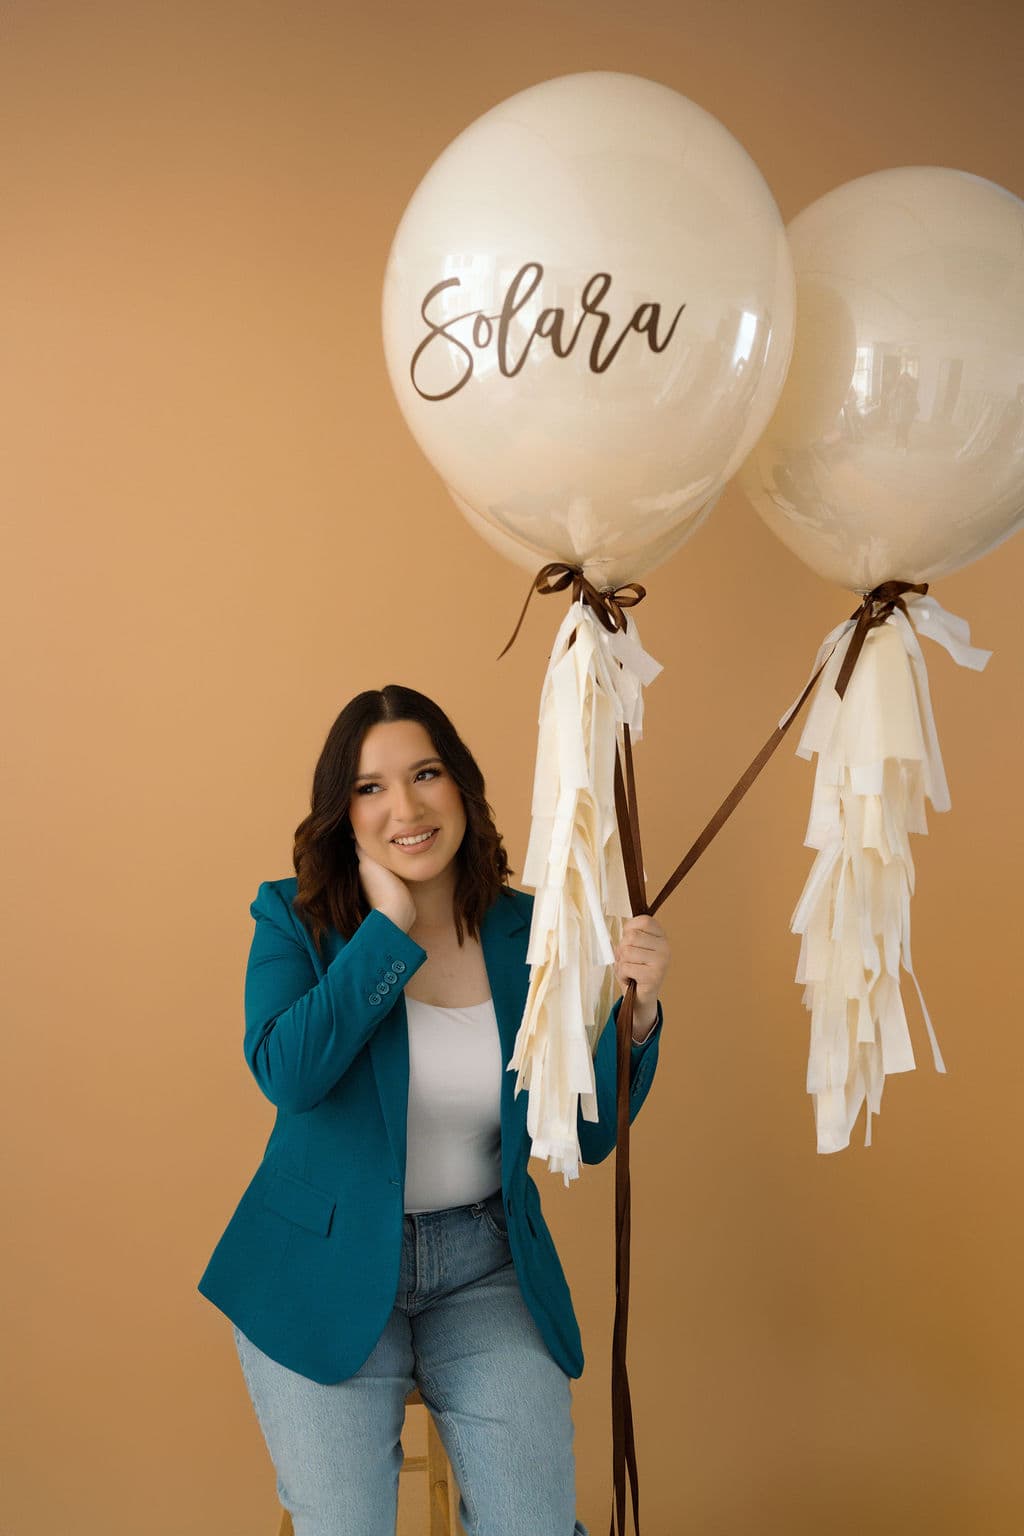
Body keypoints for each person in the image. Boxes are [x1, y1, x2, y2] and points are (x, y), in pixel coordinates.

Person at [198, 684, 670, 1536]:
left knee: (533, 1523)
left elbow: (590, 1135)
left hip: (484, 1269)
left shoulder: (534, 934)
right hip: (319, 1270)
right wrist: (390, 927)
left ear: (462, 787)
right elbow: (291, 1074)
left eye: (426, 774)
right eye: (371, 788)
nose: (405, 808)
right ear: (342, 813)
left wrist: (633, 1018)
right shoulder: (296, 920)